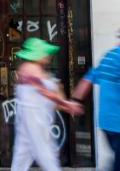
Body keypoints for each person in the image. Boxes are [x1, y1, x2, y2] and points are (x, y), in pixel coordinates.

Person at [72, 25, 120, 171]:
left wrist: (75, 101)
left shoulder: (108, 56)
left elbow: (88, 79)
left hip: (106, 123)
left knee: (119, 162)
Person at [11, 37, 82, 171]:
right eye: (45, 52)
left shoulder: (30, 68)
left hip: (31, 116)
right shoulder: (31, 69)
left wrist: (64, 104)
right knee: (44, 152)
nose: (48, 55)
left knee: (23, 153)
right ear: (37, 54)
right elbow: (45, 92)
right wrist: (67, 104)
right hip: (35, 117)